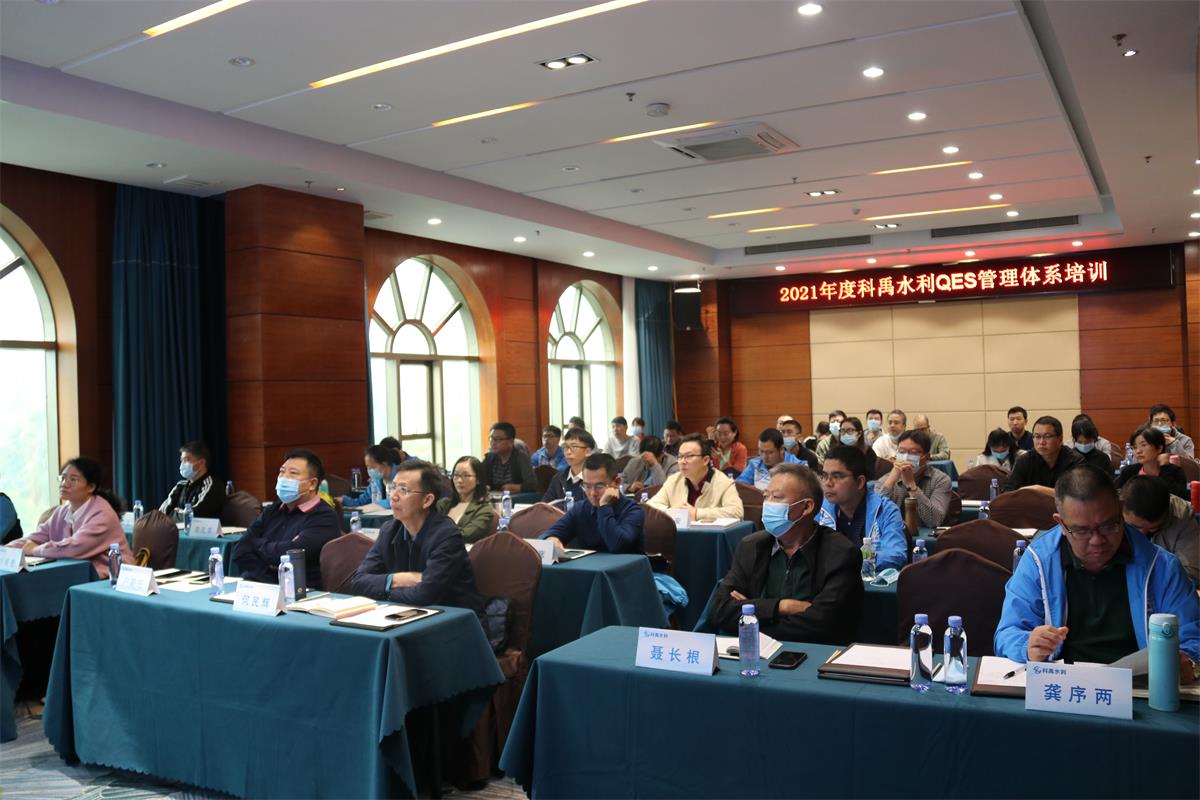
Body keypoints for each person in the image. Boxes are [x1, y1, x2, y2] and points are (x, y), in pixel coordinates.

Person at [994, 465, 1198, 670]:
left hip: (1138, 684)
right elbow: (1007, 634)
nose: (1097, 540)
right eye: (1082, 531)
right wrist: (1028, 646)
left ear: (1121, 510)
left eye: (1108, 526)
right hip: (1064, 682)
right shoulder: (1039, 562)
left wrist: (1187, 661)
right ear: (1062, 524)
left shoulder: (1161, 567)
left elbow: (1192, 639)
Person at [708, 463, 864, 645]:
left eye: (777, 497)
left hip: (817, 653)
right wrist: (782, 607)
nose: (767, 504)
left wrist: (751, 613)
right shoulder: (751, 546)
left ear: (806, 507)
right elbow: (720, 609)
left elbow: (822, 624)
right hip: (757, 652)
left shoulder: (841, 553)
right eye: (766, 496)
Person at [351, 460, 484, 614]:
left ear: (427, 500)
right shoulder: (389, 530)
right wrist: (396, 579)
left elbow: (426, 595)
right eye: (393, 488)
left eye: (403, 490)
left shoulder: (446, 535)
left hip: (454, 620)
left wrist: (382, 591)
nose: (393, 496)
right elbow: (358, 582)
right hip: (405, 615)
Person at [6, 457, 131, 578]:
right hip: (77, 573)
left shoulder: (102, 514)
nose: (64, 484)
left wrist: (34, 550)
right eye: (63, 478)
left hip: (113, 578)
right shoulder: (62, 511)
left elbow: (75, 547)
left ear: (91, 487)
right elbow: (36, 537)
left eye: (73, 479)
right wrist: (7, 550)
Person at [234, 449, 340, 588]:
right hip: (259, 587)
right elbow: (240, 550)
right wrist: (269, 562)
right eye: (282, 472)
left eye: (293, 473)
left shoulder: (324, 516)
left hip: (299, 592)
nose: (284, 478)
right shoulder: (273, 510)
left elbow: (291, 555)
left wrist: (257, 544)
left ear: (312, 484)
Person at [815, 446, 906, 571]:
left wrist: (848, 561)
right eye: (824, 476)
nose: (828, 483)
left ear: (860, 482)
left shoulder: (886, 510)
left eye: (837, 476)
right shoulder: (819, 509)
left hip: (870, 581)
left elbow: (895, 556)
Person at [540, 454, 644, 554]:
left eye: (599, 486)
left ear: (617, 482)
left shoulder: (633, 510)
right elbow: (549, 534)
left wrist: (604, 506)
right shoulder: (581, 508)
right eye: (587, 486)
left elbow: (618, 546)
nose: (593, 493)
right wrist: (551, 538)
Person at [647, 434, 744, 522]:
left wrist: (697, 513)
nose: (682, 461)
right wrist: (672, 512)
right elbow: (650, 506)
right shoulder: (674, 480)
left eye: (689, 456)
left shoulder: (723, 482)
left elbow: (737, 513)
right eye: (680, 456)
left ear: (705, 460)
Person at [1121, 476, 1200, 584]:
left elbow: (1193, 573)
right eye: (1135, 527)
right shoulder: (1108, 512)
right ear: (1121, 508)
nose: (1141, 534)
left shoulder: (1181, 516)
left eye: (1152, 528)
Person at [873, 430, 953, 528]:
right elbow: (874, 515)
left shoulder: (941, 480)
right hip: (892, 534)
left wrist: (911, 485)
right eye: (902, 452)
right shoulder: (885, 480)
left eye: (913, 453)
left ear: (926, 457)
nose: (906, 457)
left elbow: (934, 521)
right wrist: (890, 481)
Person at [1000, 416, 1083, 495]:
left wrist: (1038, 490)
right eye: (1037, 436)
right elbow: (1008, 491)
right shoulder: (1025, 460)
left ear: (1060, 438)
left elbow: (1079, 493)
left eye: (1047, 436)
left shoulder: (1075, 460)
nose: (1041, 442)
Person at [1115, 426, 1189, 501]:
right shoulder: (1129, 472)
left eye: (1143, 445)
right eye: (1134, 447)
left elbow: (1178, 499)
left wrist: (1164, 468)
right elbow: (1117, 497)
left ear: (1159, 448)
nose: (1138, 451)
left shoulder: (1174, 472)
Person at [436, 456, 497, 544]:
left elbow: (466, 535)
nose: (459, 480)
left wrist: (436, 533)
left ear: (478, 479)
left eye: (466, 476)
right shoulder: (443, 504)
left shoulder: (484, 510)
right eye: (456, 475)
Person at [158, 441, 223, 521]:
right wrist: (178, 513)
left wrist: (174, 513)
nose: (182, 464)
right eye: (181, 460)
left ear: (201, 463)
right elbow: (160, 514)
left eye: (186, 460)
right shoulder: (180, 486)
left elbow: (193, 516)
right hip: (175, 528)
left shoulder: (212, 486)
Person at [736, 428, 803, 489]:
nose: (764, 457)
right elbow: (739, 486)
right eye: (761, 451)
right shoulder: (755, 464)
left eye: (770, 452)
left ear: (781, 449)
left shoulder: (798, 466)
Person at [542, 428, 595, 504]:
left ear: (587, 452)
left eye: (574, 447)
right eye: (565, 447)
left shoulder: (595, 480)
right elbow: (545, 504)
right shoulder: (558, 478)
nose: (568, 452)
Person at [482, 422, 537, 493]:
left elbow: (533, 485)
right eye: (491, 438)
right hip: (493, 497)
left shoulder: (521, 458)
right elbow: (480, 480)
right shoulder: (489, 458)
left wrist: (517, 487)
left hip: (515, 497)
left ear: (511, 441)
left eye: (498, 439)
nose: (493, 443)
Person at [342, 445, 401, 509]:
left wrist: (375, 506)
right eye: (367, 467)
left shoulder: (402, 476)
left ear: (384, 464)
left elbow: (397, 500)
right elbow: (361, 501)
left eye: (372, 467)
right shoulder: (375, 481)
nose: (369, 470)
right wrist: (343, 500)